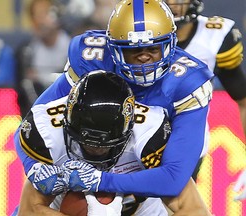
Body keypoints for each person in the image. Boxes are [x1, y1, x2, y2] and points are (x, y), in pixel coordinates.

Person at [14, 0, 213, 214]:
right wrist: (35, 168)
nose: (144, 57)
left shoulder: (184, 86)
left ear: (171, 44)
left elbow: (173, 177)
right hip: (78, 158)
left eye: (153, 47)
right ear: (113, 47)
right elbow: (35, 123)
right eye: (133, 49)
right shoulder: (92, 58)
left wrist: (101, 181)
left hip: (144, 163)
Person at [14, 71, 211, 215]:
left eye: (104, 144)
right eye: (85, 141)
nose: (94, 149)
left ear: (129, 129)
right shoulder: (47, 132)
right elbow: (29, 211)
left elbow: (194, 210)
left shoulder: (148, 136)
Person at [164, 0, 246, 181]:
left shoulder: (214, 37)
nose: (171, 3)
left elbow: (243, 99)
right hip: (134, 146)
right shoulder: (132, 34)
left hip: (187, 149)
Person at [15, 0, 71, 117]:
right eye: (35, 16)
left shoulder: (76, 48)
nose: (39, 21)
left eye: (44, 14)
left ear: (57, 16)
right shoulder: (24, 52)